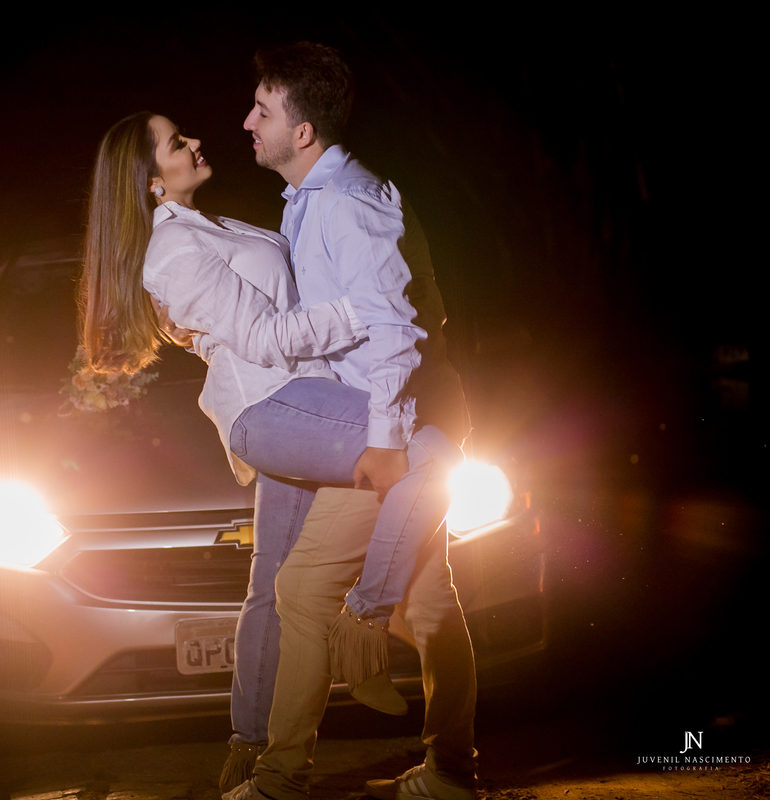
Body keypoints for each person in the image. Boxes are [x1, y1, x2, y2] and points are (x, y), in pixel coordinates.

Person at [79, 109, 453, 747]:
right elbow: (261, 337)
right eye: (177, 143)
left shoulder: (212, 226)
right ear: (149, 181)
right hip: (274, 406)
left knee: (271, 584)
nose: (196, 142)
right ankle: (364, 623)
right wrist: (365, 306)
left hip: (303, 397)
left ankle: (252, 753)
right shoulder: (171, 249)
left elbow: (256, 315)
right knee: (430, 454)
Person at [214, 42, 478, 800]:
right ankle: (451, 770)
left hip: (388, 432)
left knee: (300, 593)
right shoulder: (313, 199)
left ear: (302, 131)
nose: (247, 122)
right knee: (430, 601)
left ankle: (279, 778)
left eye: (262, 111)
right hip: (392, 425)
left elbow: (396, 331)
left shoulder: (347, 204)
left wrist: (384, 444)